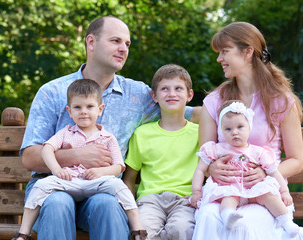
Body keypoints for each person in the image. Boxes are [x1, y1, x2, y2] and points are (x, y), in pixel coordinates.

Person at [20, 16, 200, 240]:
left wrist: (242, 95)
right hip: (54, 187)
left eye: (127, 44)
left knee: (107, 204)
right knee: (59, 203)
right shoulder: (53, 91)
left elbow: (194, 114)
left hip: (102, 187)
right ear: (91, 42)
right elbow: (29, 157)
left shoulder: (138, 95)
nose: (123, 48)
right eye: (115, 41)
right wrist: (77, 155)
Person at [192, 22, 303, 240]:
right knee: (207, 216)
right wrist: (214, 168)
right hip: (224, 193)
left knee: (243, 227)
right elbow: (205, 155)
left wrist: (266, 172)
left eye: (224, 52)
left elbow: (296, 160)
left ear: (247, 52)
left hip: (264, 193)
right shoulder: (214, 101)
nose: (219, 59)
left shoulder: (281, 101)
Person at [13, 79, 147, 240]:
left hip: (96, 182)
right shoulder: (66, 132)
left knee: (119, 189)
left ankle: (138, 231)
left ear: (100, 109)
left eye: (89, 107)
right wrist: (56, 169)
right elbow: (47, 149)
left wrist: (101, 171)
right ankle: (22, 233)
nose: (84, 111)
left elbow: (118, 165)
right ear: (69, 112)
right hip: (68, 181)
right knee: (42, 188)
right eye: (78, 107)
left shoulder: (107, 137)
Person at [190, 100, 300, 237]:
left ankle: (286, 222)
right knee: (228, 198)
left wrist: (284, 192)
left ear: (249, 127)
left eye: (240, 127)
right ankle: (228, 216)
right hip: (230, 188)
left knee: (269, 196)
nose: (234, 133)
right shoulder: (216, 149)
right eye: (228, 129)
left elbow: (274, 172)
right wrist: (196, 192)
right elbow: (200, 169)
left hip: (254, 190)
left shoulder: (258, 152)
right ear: (221, 131)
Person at [122, 64, 199, 240]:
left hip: (185, 201)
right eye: (165, 89)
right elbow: (129, 179)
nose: (171, 93)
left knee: (183, 230)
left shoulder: (198, 134)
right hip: (150, 201)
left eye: (178, 88)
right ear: (154, 96)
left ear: (189, 95)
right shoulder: (142, 134)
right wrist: (131, 209)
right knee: (142, 232)